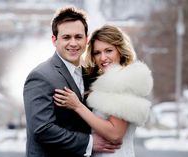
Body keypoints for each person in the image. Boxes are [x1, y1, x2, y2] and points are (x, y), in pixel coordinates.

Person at [23, 7, 119, 157]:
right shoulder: (40, 76)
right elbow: (42, 129)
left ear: (86, 40)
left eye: (78, 37)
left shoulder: (89, 75)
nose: (73, 43)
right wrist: (90, 142)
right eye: (66, 37)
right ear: (54, 40)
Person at [53, 25, 153, 157]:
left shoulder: (122, 82)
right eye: (97, 52)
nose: (103, 57)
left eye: (108, 51)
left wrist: (77, 106)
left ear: (120, 50)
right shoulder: (108, 82)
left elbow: (115, 134)